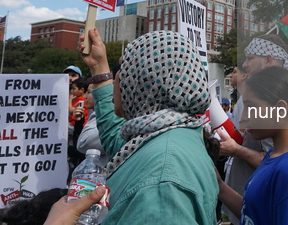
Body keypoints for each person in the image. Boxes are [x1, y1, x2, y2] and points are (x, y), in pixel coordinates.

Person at [79, 28, 218, 224]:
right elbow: (118, 142)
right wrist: (99, 67)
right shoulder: (171, 134)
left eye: (123, 69)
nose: (117, 77)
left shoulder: (161, 183)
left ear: (143, 82)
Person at [217, 66, 288, 225]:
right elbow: (254, 213)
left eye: (250, 107)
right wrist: (220, 186)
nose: (243, 117)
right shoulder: (275, 156)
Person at [219, 34, 288, 225]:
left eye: (250, 58)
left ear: (268, 60)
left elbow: (277, 160)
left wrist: (236, 150)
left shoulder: (276, 100)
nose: (245, 65)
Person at [75, 83, 108, 165]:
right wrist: (79, 122)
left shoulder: (103, 116)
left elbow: (83, 143)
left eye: (89, 92)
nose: (85, 96)